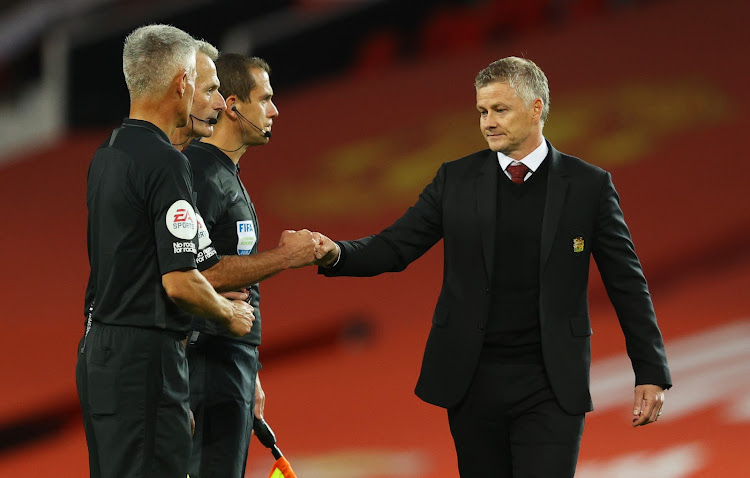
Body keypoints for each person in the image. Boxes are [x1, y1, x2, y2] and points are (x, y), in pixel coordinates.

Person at [313, 56, 672, 477]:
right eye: (482, 111)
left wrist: (650, 369)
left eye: (500, 110)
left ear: (536, 108)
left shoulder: (588, 186)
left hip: (551, 384)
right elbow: (395, 247)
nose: (487, 122)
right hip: (472, 381)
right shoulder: (455, 180)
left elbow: (626, 281)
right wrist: (334, 253)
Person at [76, 25, 255, 478]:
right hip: (145, 361)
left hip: (102, 352)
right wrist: (228, 315)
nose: (214, 100)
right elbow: (179, 282)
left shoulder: (108, 154)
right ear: (182, 83)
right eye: (206, 86)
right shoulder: (166, 162)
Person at [183, 53, 304, 478]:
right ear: (232, 106)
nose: (274, 110)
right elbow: (199, 270)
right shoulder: (199, 173)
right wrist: (287, 257)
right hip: (207, 363)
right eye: (265, 98)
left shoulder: (224, 175)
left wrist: (249, 372)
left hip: (230, 363)